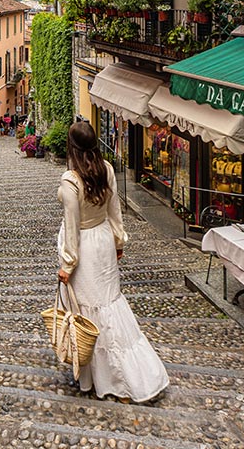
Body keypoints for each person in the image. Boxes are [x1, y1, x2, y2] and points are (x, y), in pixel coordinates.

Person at [57, 121, 169, 403]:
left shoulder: (71, 181)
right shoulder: (106, 169)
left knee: (88, 310)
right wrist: (119, 242)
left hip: (85, 248)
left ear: (71, 147)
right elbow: (115, 212)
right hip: (104, 242)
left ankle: (96, 378)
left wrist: (67, 265)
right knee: (109, 304)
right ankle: (122, 372)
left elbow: (72, 229)